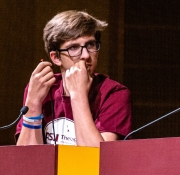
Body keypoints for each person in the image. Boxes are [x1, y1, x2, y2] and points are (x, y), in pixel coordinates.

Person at [16, 11, 132, 147]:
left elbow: (97, 159)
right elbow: (26, 160)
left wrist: (78, 95)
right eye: (74, 47)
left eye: (91, 45)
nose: (86, 55)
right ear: (56, 58)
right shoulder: (41, 88)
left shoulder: (114, 93)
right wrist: (34, 103)